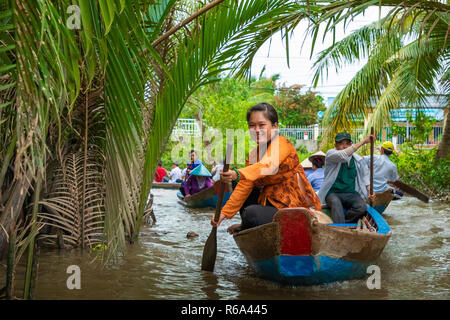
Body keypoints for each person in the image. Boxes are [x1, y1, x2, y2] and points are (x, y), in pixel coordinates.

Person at [210, 102, 321, 233]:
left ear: (275, 126)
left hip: (290, 205)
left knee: (251, 213)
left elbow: (268, 165)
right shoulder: (253, 154)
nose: (256, 130)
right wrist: (223, 215)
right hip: (267, 202)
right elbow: (244, 187)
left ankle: (248, 223)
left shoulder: (281, 143)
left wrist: (237, 173)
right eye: (252, 126)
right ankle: (248, 223)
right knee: (240, 183)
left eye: (262, 125)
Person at [317, 132, 375, 224]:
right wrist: (364, 141)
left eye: (347, 143)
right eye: (341, 143)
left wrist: (369, 191)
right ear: (335, 145)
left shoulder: (357, 160)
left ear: (351, 144)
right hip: (333, 193)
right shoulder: (331, 154)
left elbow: (365, 176)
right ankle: (340, 227)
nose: (344, 146)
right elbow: (343, 155)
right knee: (336, 203)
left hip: (350, 193)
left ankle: (344, 223)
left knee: (361, 207)